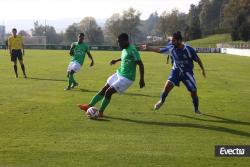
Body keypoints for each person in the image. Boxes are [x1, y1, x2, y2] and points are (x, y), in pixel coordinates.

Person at [78, 33, 145, 117]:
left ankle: (101, 112)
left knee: (108, 92)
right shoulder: (124, 49)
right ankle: (89, 105)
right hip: (119, 73)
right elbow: (125, 57)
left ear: (126, 40)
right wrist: (116, 60)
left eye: (120, 42)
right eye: (118, 42)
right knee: (104, 88)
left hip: (127, 78)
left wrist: (141, 79)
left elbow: (140, 64)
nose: (118, 44)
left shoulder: (133, 50)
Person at [141, 31, 206, 114]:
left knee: (193, 92)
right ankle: (161, 101)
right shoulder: (171, 48)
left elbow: (198, 60)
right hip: (176, 72)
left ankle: (196, 109)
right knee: (167, 88)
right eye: (172, 40)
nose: (171, 42)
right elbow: (159, 50)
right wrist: (149, 48)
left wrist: (202, 69)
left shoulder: (189, 50)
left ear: (179, 41)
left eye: (173, 40)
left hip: (187, 74)